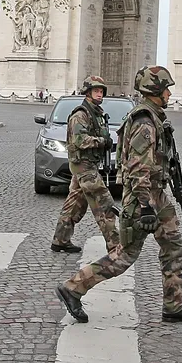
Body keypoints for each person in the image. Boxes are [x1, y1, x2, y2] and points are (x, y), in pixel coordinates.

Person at [55, 66, 182, 325]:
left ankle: (174, 305)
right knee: (124, 256)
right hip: (143, 199)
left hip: (156, 195)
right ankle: (73, 287)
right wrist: (146, 206)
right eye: (167, 89)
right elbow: (138, 168)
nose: (170, 94)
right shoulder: (145, 122)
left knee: (174, 248)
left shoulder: (154, 118)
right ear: (155, 90)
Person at [52, 76, 120, 253]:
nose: (99, 94)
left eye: (101, 91)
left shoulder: (96, 113)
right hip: (83, 165)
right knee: (104, 203)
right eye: (96, 91)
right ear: (88, 92)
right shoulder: (80, 115)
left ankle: (60, 239)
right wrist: (102, 141)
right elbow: (80, 140)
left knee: (75, 204)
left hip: (88, 164)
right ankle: (115, 245)